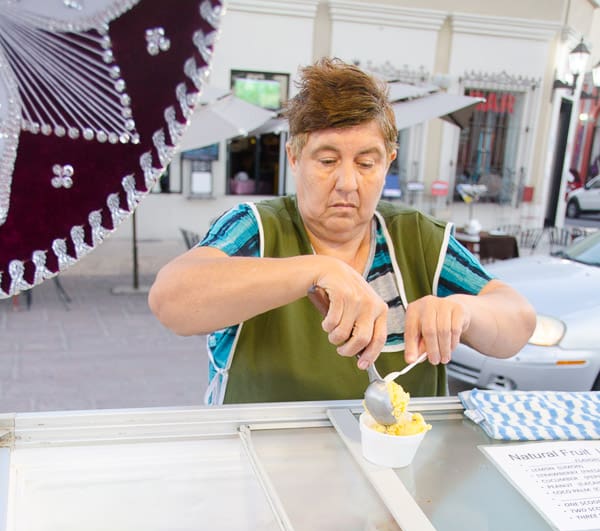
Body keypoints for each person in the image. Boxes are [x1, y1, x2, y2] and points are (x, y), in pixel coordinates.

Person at [149, 58, 535, 405]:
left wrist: (464, 311)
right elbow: (171, 301)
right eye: (328, 160)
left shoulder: (419, 238)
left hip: (394, 473)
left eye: (367, 163)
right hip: (262, 467)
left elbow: (518, 322)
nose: (348, 182)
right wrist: (318, 270)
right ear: (295, 157)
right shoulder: (255, 229)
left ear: (389, 162)